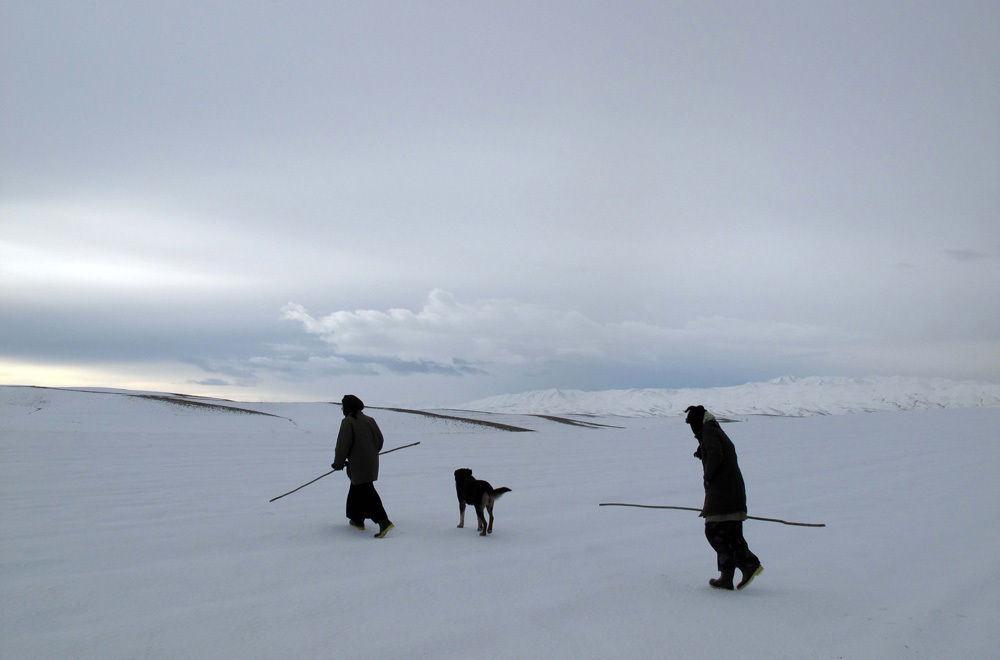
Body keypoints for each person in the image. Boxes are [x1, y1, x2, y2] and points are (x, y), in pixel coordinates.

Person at [685, 405, 762, 590]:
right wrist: (702, 453)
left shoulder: (710, 433)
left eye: (691, 423)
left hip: (723, 493)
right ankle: (726, 577)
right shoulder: (715, 431)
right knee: (731, 533)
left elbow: (716, 455)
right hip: (732, 491)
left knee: (715, 531)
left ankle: (748, 563)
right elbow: (717, 452)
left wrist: (708, 476)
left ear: (698, 422)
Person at [332, 395, 394, 538]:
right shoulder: (370, 420)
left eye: (343, 406)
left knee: (366, 491)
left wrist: (338, 463)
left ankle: (383, 521)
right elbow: (379, 440)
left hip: (358, 464)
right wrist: (371, 453)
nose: (341, 408)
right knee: (357, 488)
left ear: (348, 407)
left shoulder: (348, 422)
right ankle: (356, 519)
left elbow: (343, 445)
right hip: (371, 462)